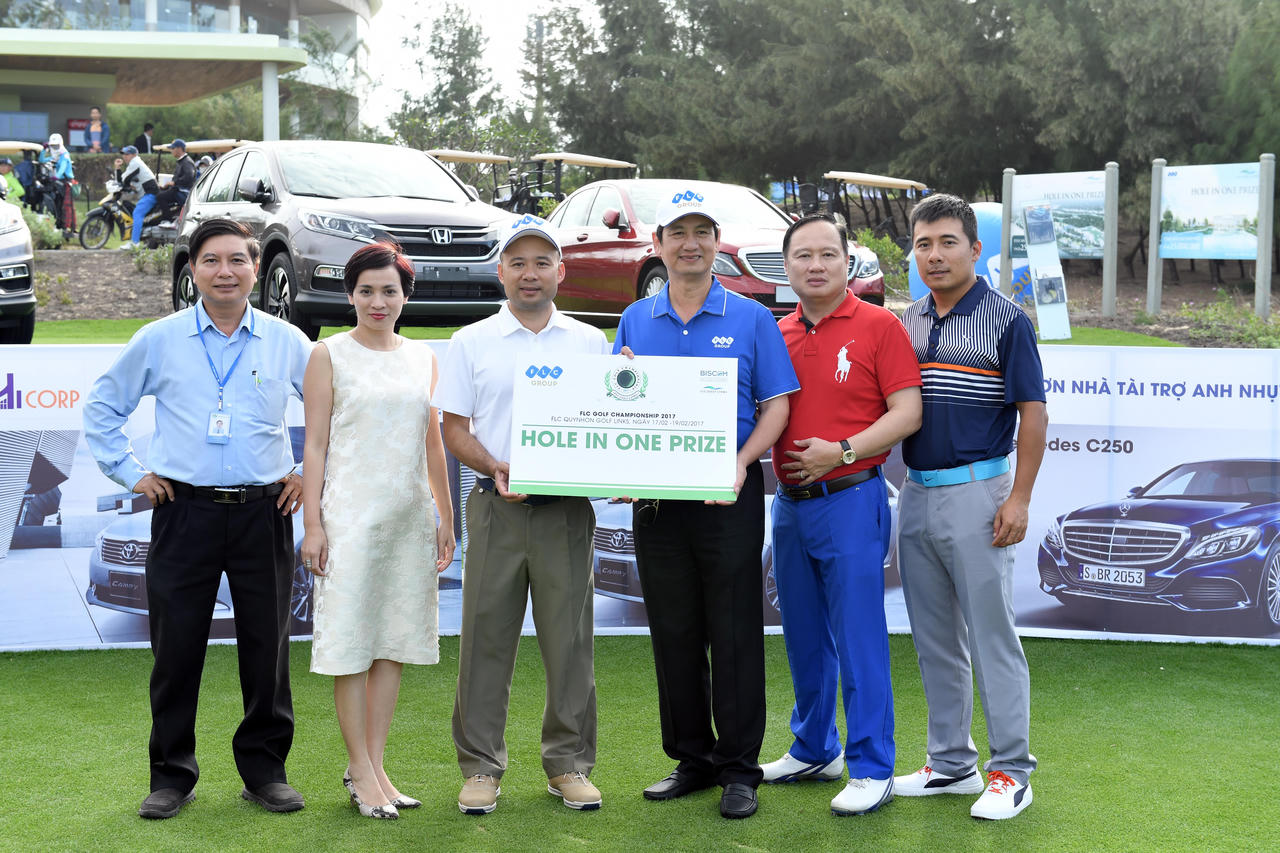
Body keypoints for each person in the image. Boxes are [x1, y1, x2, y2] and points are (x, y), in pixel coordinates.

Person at [83, 217, 313, 820]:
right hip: (182, 512)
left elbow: (335, 412)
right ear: (193, 270)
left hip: (265, 511)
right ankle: (171, 776)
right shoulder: (159, 339)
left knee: (267, 650)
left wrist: (309, 474)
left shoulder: (287, 341)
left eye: (237, 260)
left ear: (256, 268)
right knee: (176, 649)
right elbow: (103, 407)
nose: (225, 272)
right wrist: (132, 474)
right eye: (211, 260)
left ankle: (265, 772)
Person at [614, 189, 798, 820]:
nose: (690, 244)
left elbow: (777, 405)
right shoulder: (636, 318)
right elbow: (617, 402)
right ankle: (692, 759)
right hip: (658, 504)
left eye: (702, 232)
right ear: (658, 243)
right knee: (674, 629)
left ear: (717, 243)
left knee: (735, 630)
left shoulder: (751, 317)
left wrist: (742, 462)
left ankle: (740, 769)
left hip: (728, 497)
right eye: (678, 233)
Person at [435, 214, 608, 816]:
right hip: (494, 506)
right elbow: (454, 428)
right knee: (485, 638)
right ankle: (481, 767)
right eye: (517, 262)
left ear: (561, 270)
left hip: (566, 512)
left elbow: (606, 423)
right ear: (500, 271)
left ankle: (568, 764)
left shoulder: (590, 342)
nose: (529, 273)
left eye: (541, 262)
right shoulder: (471, 341)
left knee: (570, 643)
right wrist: (493, 464)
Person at [760, 213, 922, 816]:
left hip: (852, 498)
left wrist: (844, 451)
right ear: (787, 266)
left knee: (858, 637)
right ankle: (814, 747)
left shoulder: (880, 325)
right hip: (789, 505)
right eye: (803, 255)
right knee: (802, 633)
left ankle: (872, 766)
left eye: (828, 254)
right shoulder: (775, 332)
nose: (816, 265)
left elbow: (907, 412)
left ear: (847, 262)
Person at [893, 193, 1048, 820]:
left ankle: (1012, 771)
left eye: (948, 243)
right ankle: (951, 762)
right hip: (915, 492)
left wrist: (1020, 497)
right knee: (934, 639)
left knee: (991, 638)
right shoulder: (906, 321)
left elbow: (1033, 414)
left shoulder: (1008, 320)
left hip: (980, 494)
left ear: (975, 249)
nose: (935, 255)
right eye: (923, 244)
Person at [300, 241, 457, 820]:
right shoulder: (328, 355)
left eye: (389, 290)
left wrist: (446, 516)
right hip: (348, 521)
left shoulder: (424, 358)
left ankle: (374, 766)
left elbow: (432, 442)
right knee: (350, 646)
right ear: (350, 295)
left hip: (408, 519)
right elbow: (315, 446)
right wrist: (312, 523)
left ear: (405, 296)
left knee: (391, 645)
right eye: (365, 290)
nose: (377, 301)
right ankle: (360, 770)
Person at [114, 145, 160, 249]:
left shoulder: (135, 163)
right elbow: (127, 181)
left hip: (151, 193)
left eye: (127, 154)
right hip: (149, 193)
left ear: (134, 154)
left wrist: (117, 169)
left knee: (137, 213)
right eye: (123, 154)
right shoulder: (135, 163)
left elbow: (123, 179)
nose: (124, 156)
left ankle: (135, 243)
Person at [155, 138, 196, 214]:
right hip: (179, 189)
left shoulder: (186, 162)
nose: (171, 151)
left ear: (179, 149)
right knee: (160, 192)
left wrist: (174, 183)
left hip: (183, 191)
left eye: (173, 148)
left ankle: (168, 218)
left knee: (160, 197)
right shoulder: (182, 161)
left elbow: (189, 176)